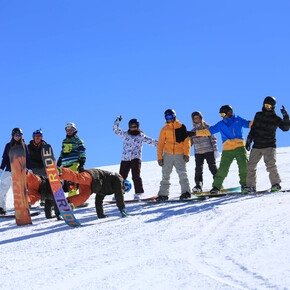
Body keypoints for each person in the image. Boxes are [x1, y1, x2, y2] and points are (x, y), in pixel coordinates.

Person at [189, 105, 253, 194]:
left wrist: (259, 120)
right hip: (227, 149)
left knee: (243, 167)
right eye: (220, 114)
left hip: (240, 148)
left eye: (223, 114)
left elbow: (249, 124)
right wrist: (195, 133)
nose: (222, 116)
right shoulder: (221, 124)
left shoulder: (238, 120)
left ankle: (245, 185)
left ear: (229, 113)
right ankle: (216, 187)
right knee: (222, 169)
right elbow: (209, 131)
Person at [243, 96, 290, 193]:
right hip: (257, 145)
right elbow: (253, 129)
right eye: (266, 105)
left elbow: (285, 128)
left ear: (273, 107)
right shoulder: (258, 115)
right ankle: (251, 186)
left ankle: (275, 184)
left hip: (269, 145)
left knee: (270, 165)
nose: (268, 107)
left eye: (270, 106)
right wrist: (248, 140)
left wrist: (286, 117)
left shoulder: (276, 118)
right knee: (251, 166)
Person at [57, 166, 131, 218]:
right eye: (124, 186)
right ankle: (60, 171)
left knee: (84, 197)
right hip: (93, 176)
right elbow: (119, 195)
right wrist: (122, 209)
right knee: (79, 178)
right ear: (124, 183)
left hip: (92, 186)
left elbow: (99, 200)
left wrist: (100, 215)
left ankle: (68, 203)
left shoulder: (108, 190)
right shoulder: (118, 179)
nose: (123, 188)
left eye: (125, 189)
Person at [113, 116, 158, 199]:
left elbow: (152, 141)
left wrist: (163, 145)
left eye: (134, 127)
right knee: (121, 177)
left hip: (136, 158)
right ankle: (119, 194)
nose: (133, 128)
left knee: (135, 176)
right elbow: (116, 130)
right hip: (125, 158)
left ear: (137, 127)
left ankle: (139, 193)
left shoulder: (141, 136)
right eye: (131, 127)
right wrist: (117, 121)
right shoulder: (125, 134)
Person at [156, 109, 191, 201]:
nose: (169, 119)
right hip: (168, 154)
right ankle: (163, 194)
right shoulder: (164, 129)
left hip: (180, 154)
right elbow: (160, 144)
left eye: (170, 117)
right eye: (167, 117)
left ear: (174, 116)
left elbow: (187, 142)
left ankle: (186, 192)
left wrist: (187, 154)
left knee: (182, 173)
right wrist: (160, 157)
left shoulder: (181, 126)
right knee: (165, 174)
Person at [0, 128, 32, 215]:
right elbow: (5, 158)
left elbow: (28, 158)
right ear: (13, 136)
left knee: (18, 191)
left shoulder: (23, 146)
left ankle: (19, 208)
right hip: (8, 171)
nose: (17, 137)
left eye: (19, 135)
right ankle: (1, 208)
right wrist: (1, 168)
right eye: (16, 135)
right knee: (2, 190)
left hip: (19, 172)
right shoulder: (8, 145)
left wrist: (29, 169)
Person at [189, 111, 219, 193]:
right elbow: (189, 144)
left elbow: (213, 139)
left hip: (209, 150)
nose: (197, 120)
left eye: (198, 118)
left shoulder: (207, 127)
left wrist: (215, 150)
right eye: (195, 119)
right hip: (198, 153)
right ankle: (198, 186)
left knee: (212, 167)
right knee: (198, 169)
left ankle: (218, 183)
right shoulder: (193, 131)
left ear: (201, 118)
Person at [57, 122, 86, 198]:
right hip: (65, 165)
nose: (69, 131)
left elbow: (82, 152)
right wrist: (59, 160)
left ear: (74, 130)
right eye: (67, 129)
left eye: (71, 129)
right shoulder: (64, 141)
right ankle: (60, 200)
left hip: (73, 164)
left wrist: (82, 163)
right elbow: (62, 152)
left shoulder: (78, 140)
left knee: (72, 183)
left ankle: (73, 199)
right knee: (63, 183)